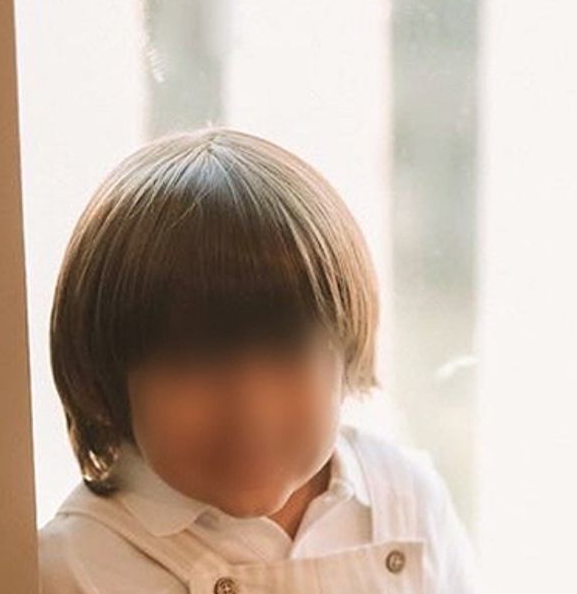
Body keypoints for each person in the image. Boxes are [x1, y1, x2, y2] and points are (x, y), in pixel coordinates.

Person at [37, 128, 477, 593]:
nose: (251, 408)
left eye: (289, 351)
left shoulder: (401, 498)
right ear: (109, 376)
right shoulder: (74, 565)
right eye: (195, 363)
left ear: (343, 349)